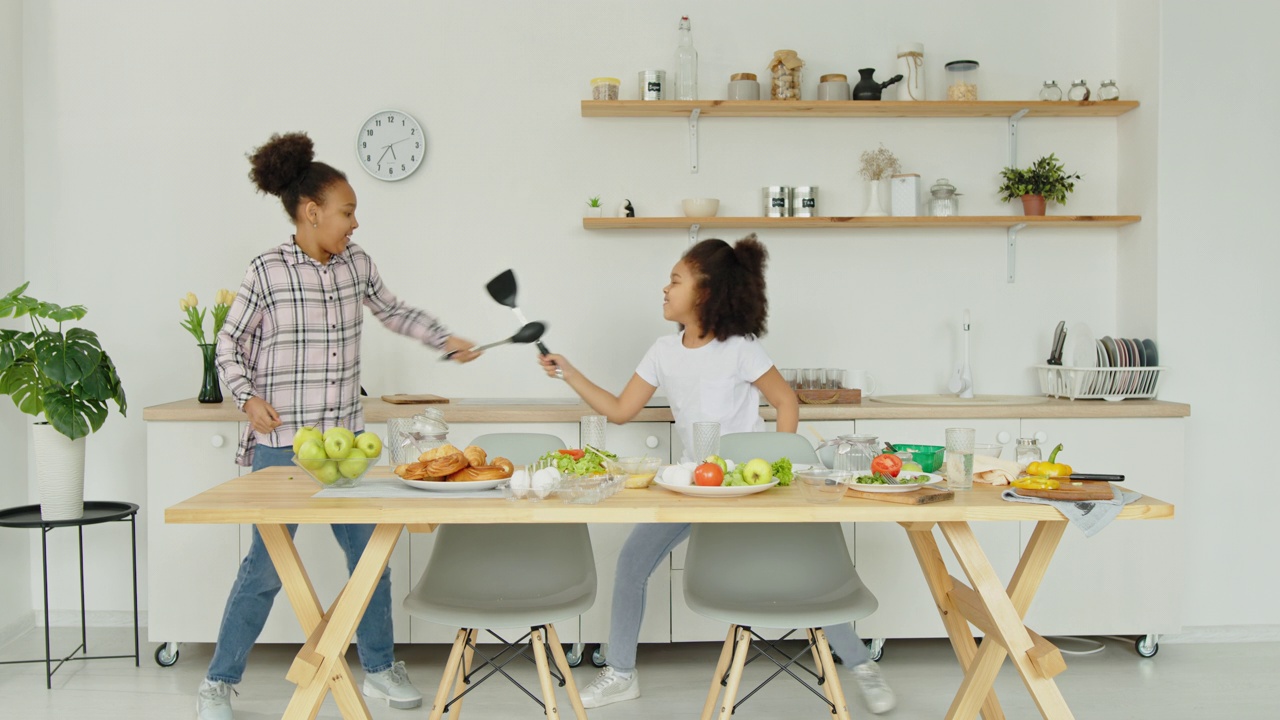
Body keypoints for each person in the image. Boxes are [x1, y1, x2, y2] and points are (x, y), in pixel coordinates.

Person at [538, 235, 896, 715]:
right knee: (630, 565)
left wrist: (777, 465)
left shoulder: (740, 348)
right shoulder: (663, 351)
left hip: (751, 487)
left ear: (704, 293)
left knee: (810, 576)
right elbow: (621, 410)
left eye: (675, 280)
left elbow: (785, 401)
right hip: (695, 484)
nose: (664, 289)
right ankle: (620, 673)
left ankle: (860, 665)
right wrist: (570, 372)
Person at [196, 132, 481, 720]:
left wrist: (443, 338)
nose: (354, 223)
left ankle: (378, 668)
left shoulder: (358, 264)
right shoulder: (268, 271)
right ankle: (219, 683)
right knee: (266, 568)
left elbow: (393, 310)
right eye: (346, 212)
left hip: (347, 446)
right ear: (312, 211)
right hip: (280, 447)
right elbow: (230, 343)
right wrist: (247, 398)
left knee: (368, 557)